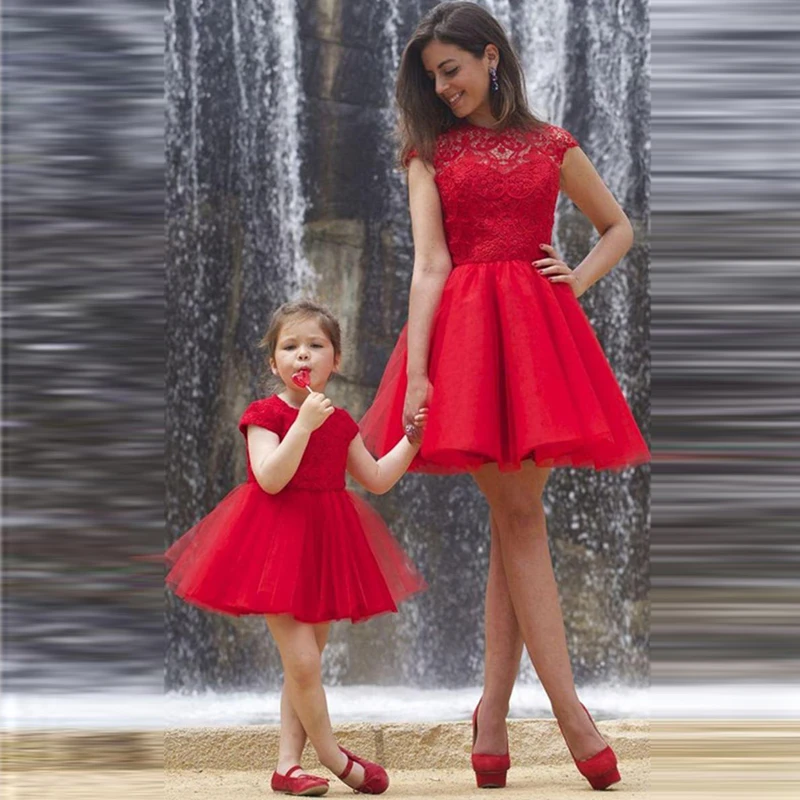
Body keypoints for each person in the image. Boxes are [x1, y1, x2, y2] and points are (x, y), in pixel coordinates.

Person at [359, 2, 650, 791]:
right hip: (465, 342)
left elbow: (617, 227)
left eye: (451, 70)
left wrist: (573, 283)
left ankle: (492, 714)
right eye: (432, 78)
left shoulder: (552, 143)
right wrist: (419, 373)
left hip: (537, 339)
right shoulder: (429, 153)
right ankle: (570, 714)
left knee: (514, 518)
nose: (443, 87)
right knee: (520, 517)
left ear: (491, 58)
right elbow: (428, 266)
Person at [166, 300, 428, 796]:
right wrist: (303, 425)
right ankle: (334, 757)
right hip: (272, 546)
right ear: (273, 363)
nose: (302, 356)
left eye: (315, 346)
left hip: (325, 547)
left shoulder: (340, 420)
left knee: (303, 664)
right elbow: (268, 477)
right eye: (290, 347)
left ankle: (288, 766)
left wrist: (411, 442)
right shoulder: (265, 415)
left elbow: (374, 479)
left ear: (337, 360)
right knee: (304, 663)